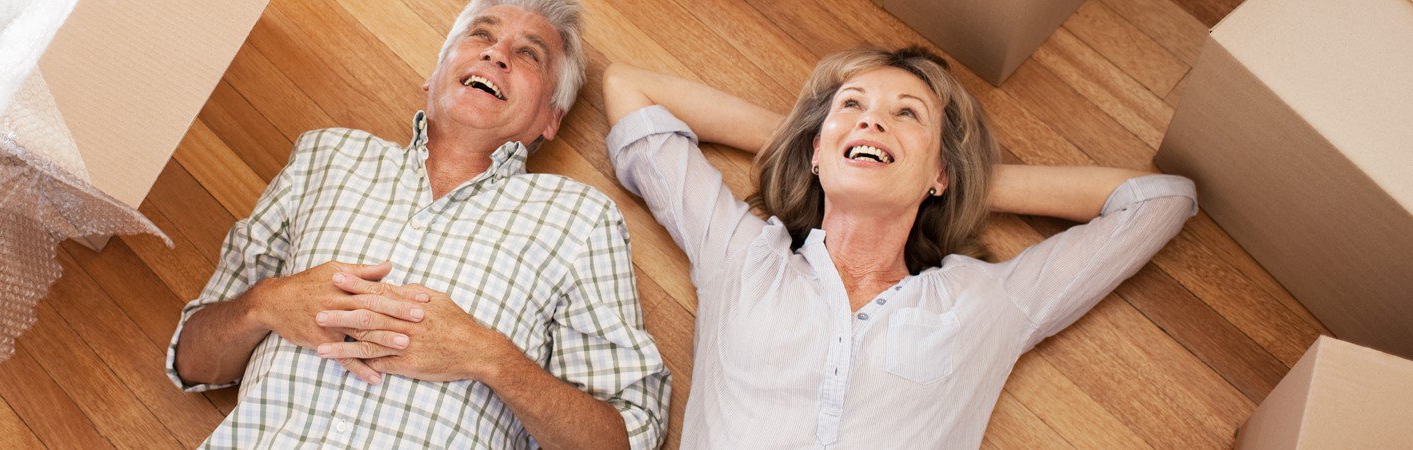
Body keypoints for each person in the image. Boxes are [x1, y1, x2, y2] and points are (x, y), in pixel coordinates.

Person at [601, 46, 1197, 448]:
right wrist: (819, 145)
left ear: (942, 173)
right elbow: (629, 88)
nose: (871, 122)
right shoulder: (742, 255)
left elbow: (1160, 201)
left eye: (905, 114)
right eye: (852, 107)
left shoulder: (985, 304)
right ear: (813, 151)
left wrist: (959, 179)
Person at [166, 1, 669, 448]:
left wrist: (489, 357)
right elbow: (190, 360)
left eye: (529, 54)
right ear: (436, 72)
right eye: (480, 34)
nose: (497, 54)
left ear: (551, 119)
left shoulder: (580, 218)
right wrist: (268, 302)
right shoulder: (326, 155)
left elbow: (629, 436)